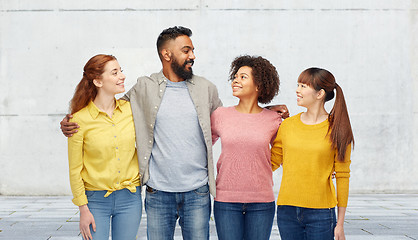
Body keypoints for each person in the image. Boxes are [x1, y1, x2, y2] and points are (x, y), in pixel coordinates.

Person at [61, 26, 289, 240]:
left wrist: (265, 110)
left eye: (192, 50)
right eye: (186, 50)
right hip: (158, 192)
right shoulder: (144, 87)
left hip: (197, 193)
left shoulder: (206, 88)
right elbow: (109, 107)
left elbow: (231, 119)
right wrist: (71, 120)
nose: (192, 55)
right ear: (166, 54)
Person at [271, 67, 354, 240]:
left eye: (303, 86)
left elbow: (343, 176)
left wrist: (340, 224)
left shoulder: (337, 129)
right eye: (298, 85)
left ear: (319, 94)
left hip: (321, 214)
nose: (297, 90)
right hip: (287, 210)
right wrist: (263, 113)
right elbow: (271, 163)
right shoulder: (287, 126)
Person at [67, 54, 141, 240]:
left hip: (130, 198)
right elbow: (75, 169)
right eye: (114, 73)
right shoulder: (79, 120)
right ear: (98, 81)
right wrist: (83, 209)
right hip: (95, 201)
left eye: (121, 71)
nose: (122, 76)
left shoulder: (132, 111)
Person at [211, 55, 282, 240]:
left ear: (258, 85)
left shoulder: (273, 119)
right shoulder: (220, 115)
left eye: (243, 77)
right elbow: (200, 145)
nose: (235, 80)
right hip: (226, 200)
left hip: (261, 202)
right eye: (235, 76)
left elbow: (284, 153)